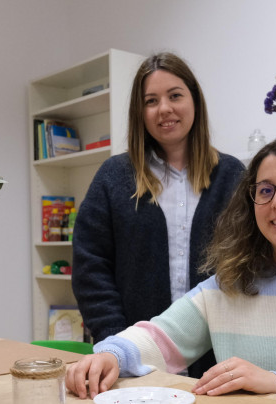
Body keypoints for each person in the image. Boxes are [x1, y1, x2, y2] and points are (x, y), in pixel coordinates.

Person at [67, 134, 276, 404]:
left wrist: (275, 382)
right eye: (265, 190)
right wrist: (113, 353)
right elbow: (161, 338)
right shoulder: (231, 281)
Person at [72, 52, 244, 378]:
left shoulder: (233, 175)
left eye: (175, 95)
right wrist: (118, 343)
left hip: (220, 363)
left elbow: (251, 263)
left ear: (195, 100)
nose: (164, 108)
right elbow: (90, 267)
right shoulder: (113, 177)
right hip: (133, 359)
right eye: (151, 100)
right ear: (140, 112)